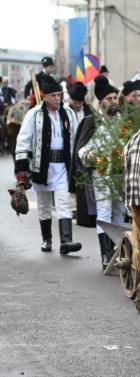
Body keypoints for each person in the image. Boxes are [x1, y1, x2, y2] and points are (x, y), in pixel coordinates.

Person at [14, 75, 82, 255]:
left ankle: (66, 241)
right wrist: (21, 166)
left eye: (59, 95)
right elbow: (23, 139)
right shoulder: (33, 114)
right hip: (41, 166)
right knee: (44, 205)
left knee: (63, 202)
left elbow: (76, 137)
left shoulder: (68, 113)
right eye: (53, 95)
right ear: (44, 96)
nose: (57, 98)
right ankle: (47, 239)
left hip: (62, 166)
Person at [78, 76, 124, 268]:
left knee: (120, 212)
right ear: (101, 102)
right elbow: (81, 150)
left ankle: (118, 252)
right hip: (101, 173)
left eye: (115, 97)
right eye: (110, 98)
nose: (114, 101)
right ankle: (106, 254)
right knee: (104, 212)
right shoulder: (92, 121)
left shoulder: (121, 120)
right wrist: (93, 158)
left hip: (120, 174)